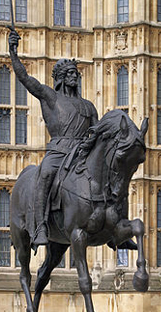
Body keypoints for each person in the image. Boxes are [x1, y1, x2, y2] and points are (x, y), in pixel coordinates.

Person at [8, 29, 98, 247]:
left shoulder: (88, 106)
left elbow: (96, 132)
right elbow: (25, 78)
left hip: (81, 154)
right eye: (69, 73)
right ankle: (39, 228)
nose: (74, 76)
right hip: (58, 152)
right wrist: (13, 52)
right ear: (60, 78)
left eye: (75, 73)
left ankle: (115, 229)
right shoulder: (50, 97)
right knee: (45, 174)